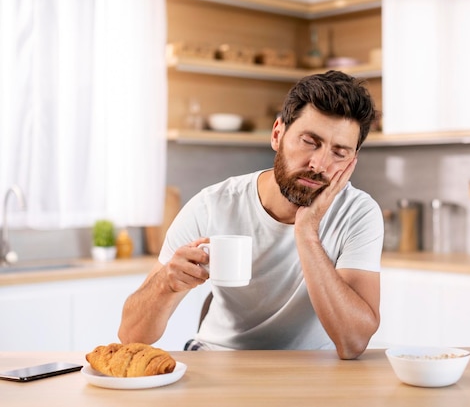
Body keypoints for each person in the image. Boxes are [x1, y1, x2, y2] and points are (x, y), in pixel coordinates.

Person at [118, 70, 383, 360]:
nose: (319, 163)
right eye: (310, 141)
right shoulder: (213, 205)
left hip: (311, 367)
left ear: (352, 163)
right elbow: (131, 336)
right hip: (216, 357)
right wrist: (165, 284)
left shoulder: (358, 213)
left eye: (339, 153)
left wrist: (306, 234)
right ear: (277, 134)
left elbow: (353, 343)